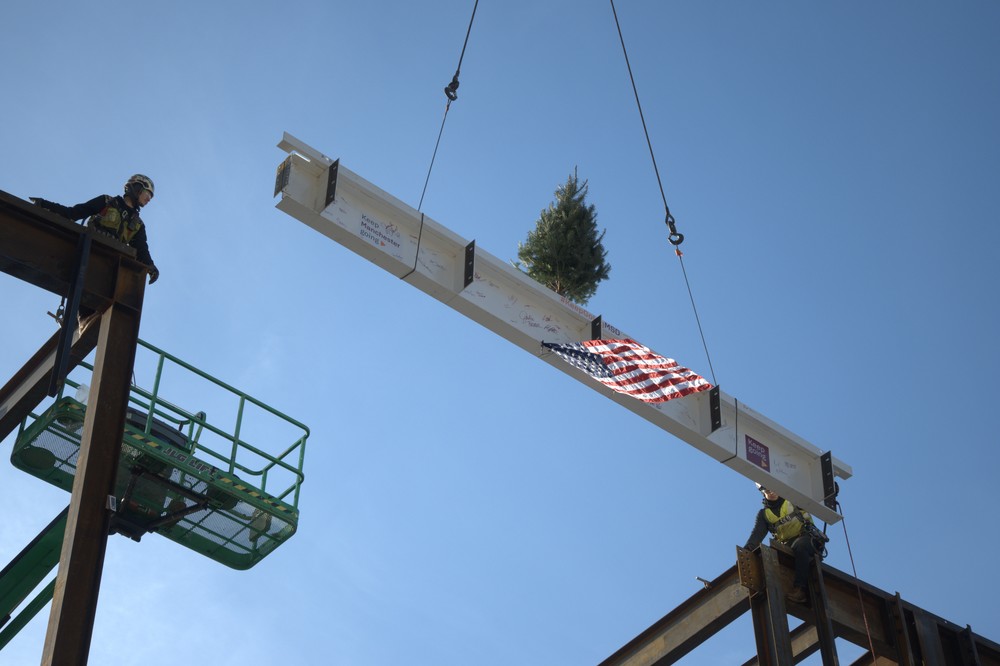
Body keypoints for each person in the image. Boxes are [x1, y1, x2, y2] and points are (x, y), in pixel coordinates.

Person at [31, 174, 160, 284]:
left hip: (109, 265)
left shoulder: (138, 225)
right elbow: (73, 213)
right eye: (147, 193)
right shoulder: (107, 202)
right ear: (137, 188)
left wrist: (151, 267)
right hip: (88, 253)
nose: (149, 199)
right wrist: (44, 204)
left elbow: (141, 250)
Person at [743, 483, 828, 604]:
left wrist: (827, 489)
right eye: (767, 488)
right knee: (767, 556)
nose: (771, 490)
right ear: (762, 491)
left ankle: (800, 590)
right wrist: (746, 552)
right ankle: (767, 593)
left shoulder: (793, 499)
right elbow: (757, 535)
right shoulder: (764, 515)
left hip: (808, 540)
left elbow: (812, 494)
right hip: (787, 545)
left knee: (801, 546)